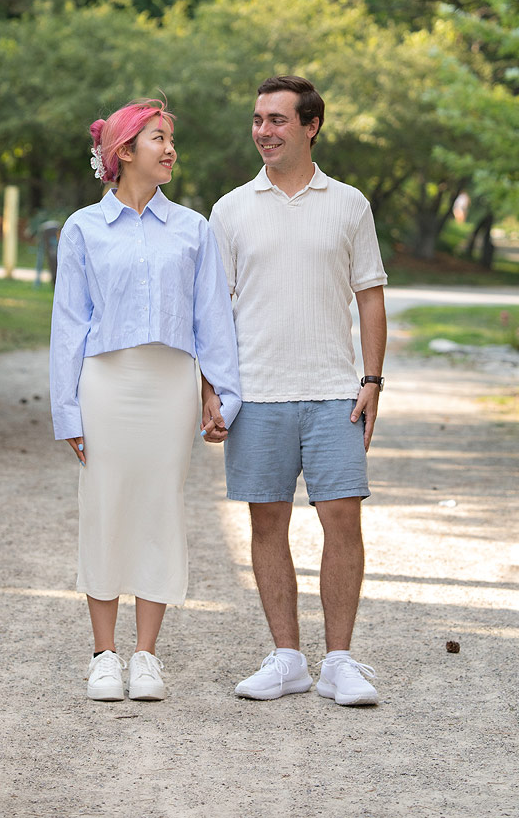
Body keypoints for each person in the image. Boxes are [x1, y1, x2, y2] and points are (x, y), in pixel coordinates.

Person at [204, 75, 387, 707]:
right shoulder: (230, 210)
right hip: (256, 394)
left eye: (277, 120)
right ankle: (287, 659)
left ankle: (339, 662)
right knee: (266, 525)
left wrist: (372, 380)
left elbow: (370, 297)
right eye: (258, 120)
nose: (264, 131)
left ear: (311, 126)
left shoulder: (350, 205)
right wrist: (211, 388)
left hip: (335, 392)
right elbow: (212, 312)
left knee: (343, 522)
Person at [49, 99, 240, 703]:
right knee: (104, 508)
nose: (171, 149)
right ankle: (104, 655)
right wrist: (66, 409)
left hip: (171, 385)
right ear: (125, 151)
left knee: (159, 508)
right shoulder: (82, 229)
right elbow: (68, 324)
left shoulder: (193, 228)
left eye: (171, 139)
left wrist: (222, 394)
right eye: (159, 138)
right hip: (105, 383)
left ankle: (146, 656)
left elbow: (213, 320)